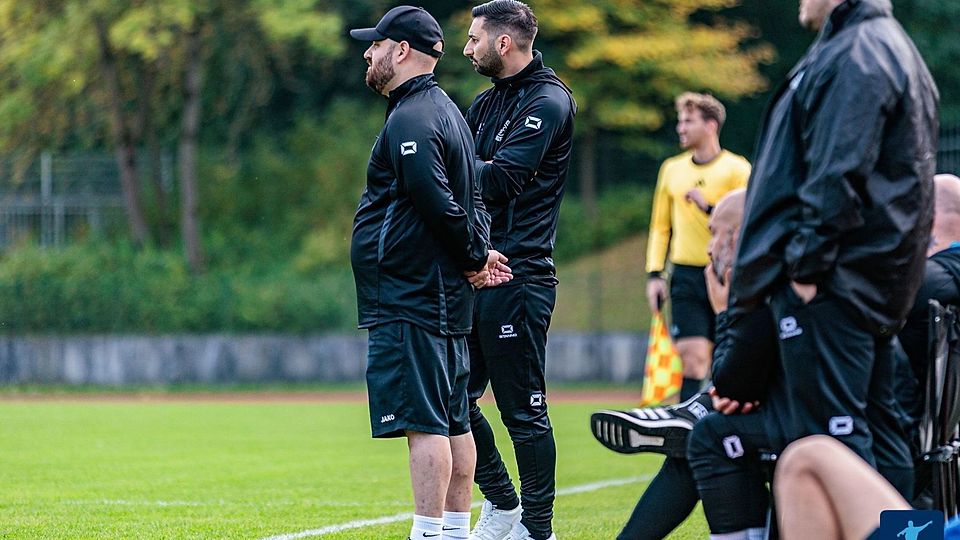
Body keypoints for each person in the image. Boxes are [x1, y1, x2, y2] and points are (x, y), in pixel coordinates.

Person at [727, 0, 938, 491]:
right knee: (883, 438)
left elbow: (836, 174)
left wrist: (805, 272)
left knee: (833, 447)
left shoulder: (857, 53)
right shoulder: (880, 47)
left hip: (833, 285)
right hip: (864, 284)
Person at [348, 7, 510, 540]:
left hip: (413, 296)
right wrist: (479, 254)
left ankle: (427, 533)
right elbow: (471, 199)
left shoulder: (413, 117)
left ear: (401, 51)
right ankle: (456, 533)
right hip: (439, 297)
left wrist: (471, 257)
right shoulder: (445, 112)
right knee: (453, 419)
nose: (368, 53)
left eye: (376, 45)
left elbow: (435, 200)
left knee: (425, 424)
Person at [460, 2, 576, 539]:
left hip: (520, 277)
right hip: (475, 272)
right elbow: (461, 177)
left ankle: (538, 529)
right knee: (451, 400)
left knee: (522, 411)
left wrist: (443, 169)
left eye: (474, 38)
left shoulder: (549, 100)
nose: (467, 48)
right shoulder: (483, 104)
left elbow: (500, 180)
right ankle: (503, 504)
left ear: (503, 43)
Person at [645, 93, 751, 401]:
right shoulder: (671, 169)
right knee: (692, 361)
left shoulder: (737, 169)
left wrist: (710, 208)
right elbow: (660, 226)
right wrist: (654, 274)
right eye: (680, 121)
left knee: (728, 359)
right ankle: (686, 442)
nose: (680, 128)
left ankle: (725, 434)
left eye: (688, 121)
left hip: (727, 275)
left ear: (711, 125)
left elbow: (747, 220)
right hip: (685, 276)